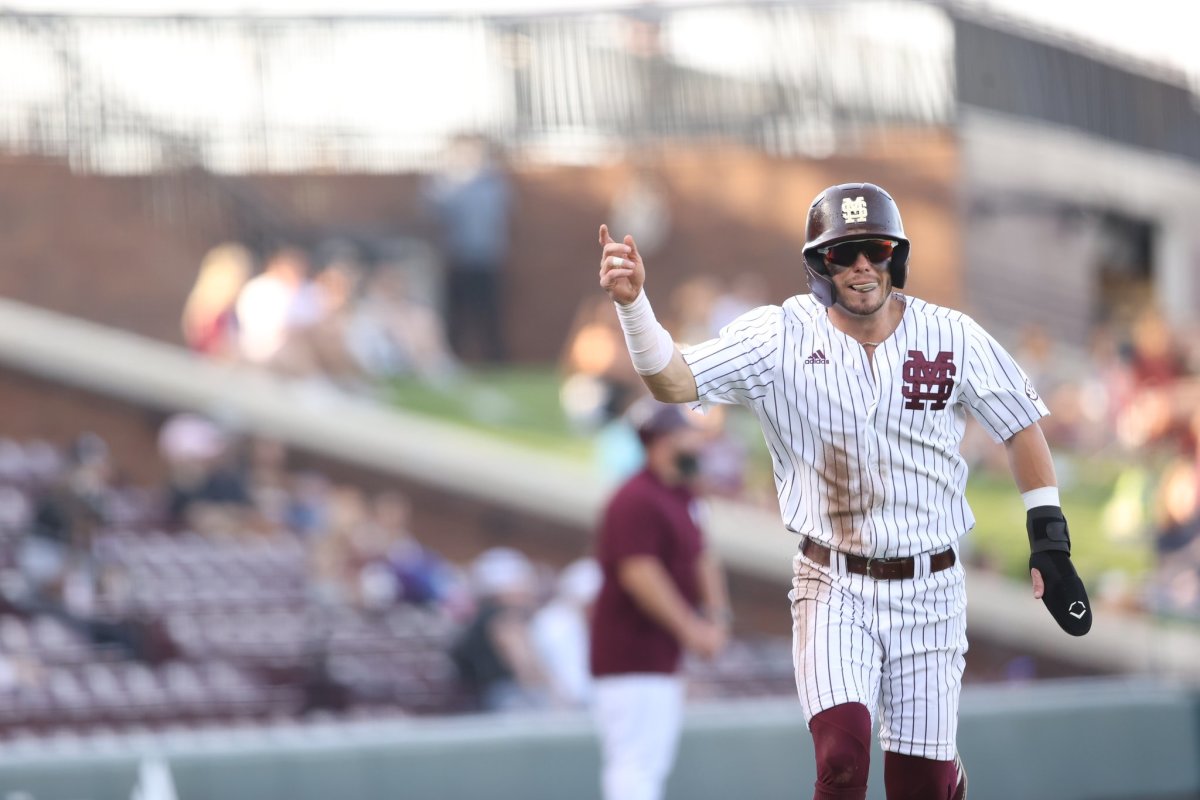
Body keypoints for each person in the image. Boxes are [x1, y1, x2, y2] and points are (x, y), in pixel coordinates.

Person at [596, 182, 1093, 800]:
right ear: (819, 265)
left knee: (920, 786)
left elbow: (1019, 423)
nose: (862, 265)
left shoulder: (952, 335)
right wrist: (634, 303)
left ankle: (947, 779)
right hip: (833, 580)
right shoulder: (778, 336)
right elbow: (673, 382)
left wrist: (1049, 541)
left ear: (896, 258)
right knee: (841, 757)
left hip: (932, 586)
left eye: (875, 249)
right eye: (844, 252)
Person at [589, 398, 730, 800]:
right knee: (636, 764)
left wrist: (717, 618)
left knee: (647, 763)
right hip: (630, 654)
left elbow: (704, 556)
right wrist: (693, 631)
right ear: (664, 441)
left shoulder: (682, 495)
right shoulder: (636, 497)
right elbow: (639, 574)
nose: (698, 442)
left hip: (657, 654)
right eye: (688, 433)